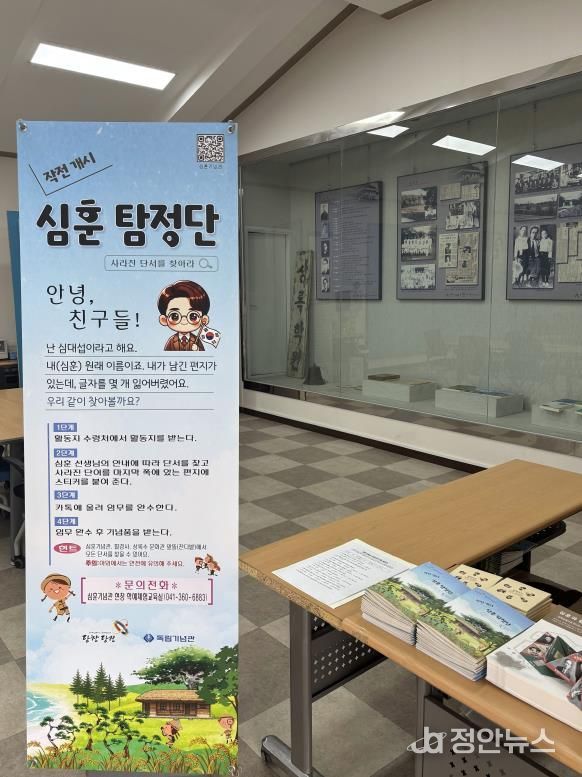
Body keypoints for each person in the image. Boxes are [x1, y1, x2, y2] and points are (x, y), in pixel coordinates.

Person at [158, 280, 211, 351]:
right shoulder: (171, 341)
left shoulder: (196, 341)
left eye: (193, 316)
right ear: (164, 320)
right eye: (175, 316)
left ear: (203, 320)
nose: (184, 321)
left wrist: (197, 350)